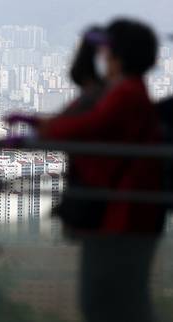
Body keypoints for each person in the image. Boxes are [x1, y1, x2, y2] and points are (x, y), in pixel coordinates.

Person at [9, 19, 163, 322]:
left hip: (123, 216)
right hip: (130, 213)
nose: (104, 58)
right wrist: (37, 125)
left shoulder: (127, 93)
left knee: (105, 301)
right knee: (122, 301)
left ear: (117, 56)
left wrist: (35, 131)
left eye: (107, 51)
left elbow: (88, 126)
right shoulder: (130, 91)